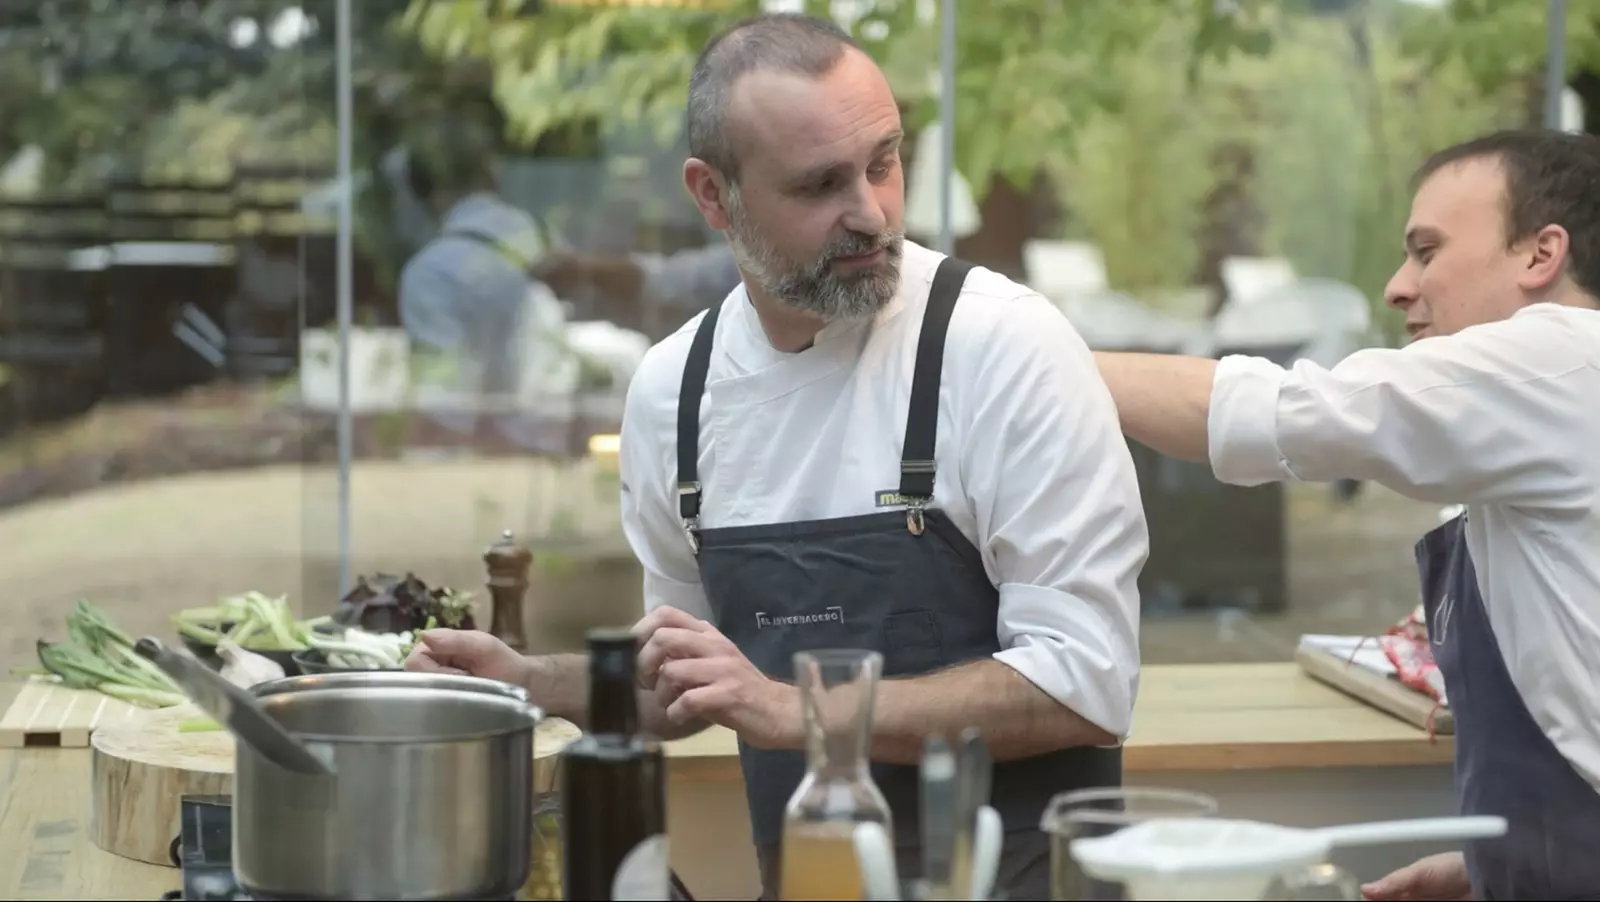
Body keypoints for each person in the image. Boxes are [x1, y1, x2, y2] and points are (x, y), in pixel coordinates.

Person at [407, 12, 1148, 900]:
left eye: (883, 162)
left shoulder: (1002, 347)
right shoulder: (672, 393)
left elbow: (1085, 682)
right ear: (712, 195)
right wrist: (543, 683)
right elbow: (683, 685)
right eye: (819, 185)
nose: (870, 213)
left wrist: (792, 709)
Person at [1092, 129, 1600, 902]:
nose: (1399, 286)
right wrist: (1495, 867)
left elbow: (1268, 412)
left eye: (1426, 251)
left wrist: (1030, 356)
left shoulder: (1559, 357)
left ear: (1541, 254)